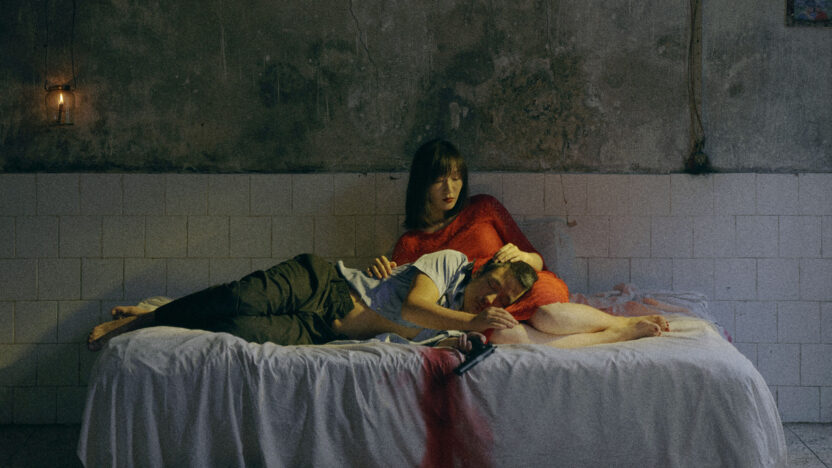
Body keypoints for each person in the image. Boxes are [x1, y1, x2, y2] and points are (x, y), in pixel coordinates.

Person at [366, 139, 670, 347]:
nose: (450, 188)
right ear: (422, 184)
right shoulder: (411, 242)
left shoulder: (483, 207)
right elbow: (400, 300)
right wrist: (380, 272)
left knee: (549, 316)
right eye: (439, 180)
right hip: (481, 307)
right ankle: (613, 335)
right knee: (503, 337)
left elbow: (538, 260)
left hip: (523, 283)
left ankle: (619, 323)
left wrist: (523, 256)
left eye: (457, 178)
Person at [87, 250, 536, 352]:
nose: (493, 297)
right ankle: (139, 321)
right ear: (483, 268)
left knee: (238, 329)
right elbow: (414, 308)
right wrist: (472, 322)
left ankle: (158, 314)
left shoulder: (462, 328)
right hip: (323, 284)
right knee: (238, 297)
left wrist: (468, 333)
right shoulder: (452, 263)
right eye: (494, 283)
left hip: (321, 330)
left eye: (505, 298)